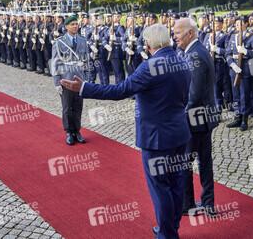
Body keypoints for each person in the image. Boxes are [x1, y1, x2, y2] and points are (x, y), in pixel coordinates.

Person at [61, 23, 192, 239]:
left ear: (148, 43)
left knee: (161, 189)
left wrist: (84, 88)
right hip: (179, 134)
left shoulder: (149, 67)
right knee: (176, 184)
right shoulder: (182, 62)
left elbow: (120, 90)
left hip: (156, 139)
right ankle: (171, 228)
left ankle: (167, 234)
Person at [173, 18, 219, 218]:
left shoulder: (195, 55)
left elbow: (194, 94)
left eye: (177, 32)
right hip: (203, 118)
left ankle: (188, 205)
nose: (174, 36)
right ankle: (208, 204)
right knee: (204, 162)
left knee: (186, 162)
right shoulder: (195, 50)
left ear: (189, 33)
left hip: (195, 119)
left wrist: (179, 117)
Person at [51, 16, 89, 145]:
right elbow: (55, 62)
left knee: (78, 107)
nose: (75, 26)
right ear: (66, 26)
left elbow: (87, 60)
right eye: (72, 24)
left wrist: (87, 78)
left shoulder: (83, 41)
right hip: (66, 79)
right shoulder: (59, 41)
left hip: (79, 79)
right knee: (67, 108)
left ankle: (77, 131)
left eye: (76, 24)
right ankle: (68, 132)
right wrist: (57, 82)